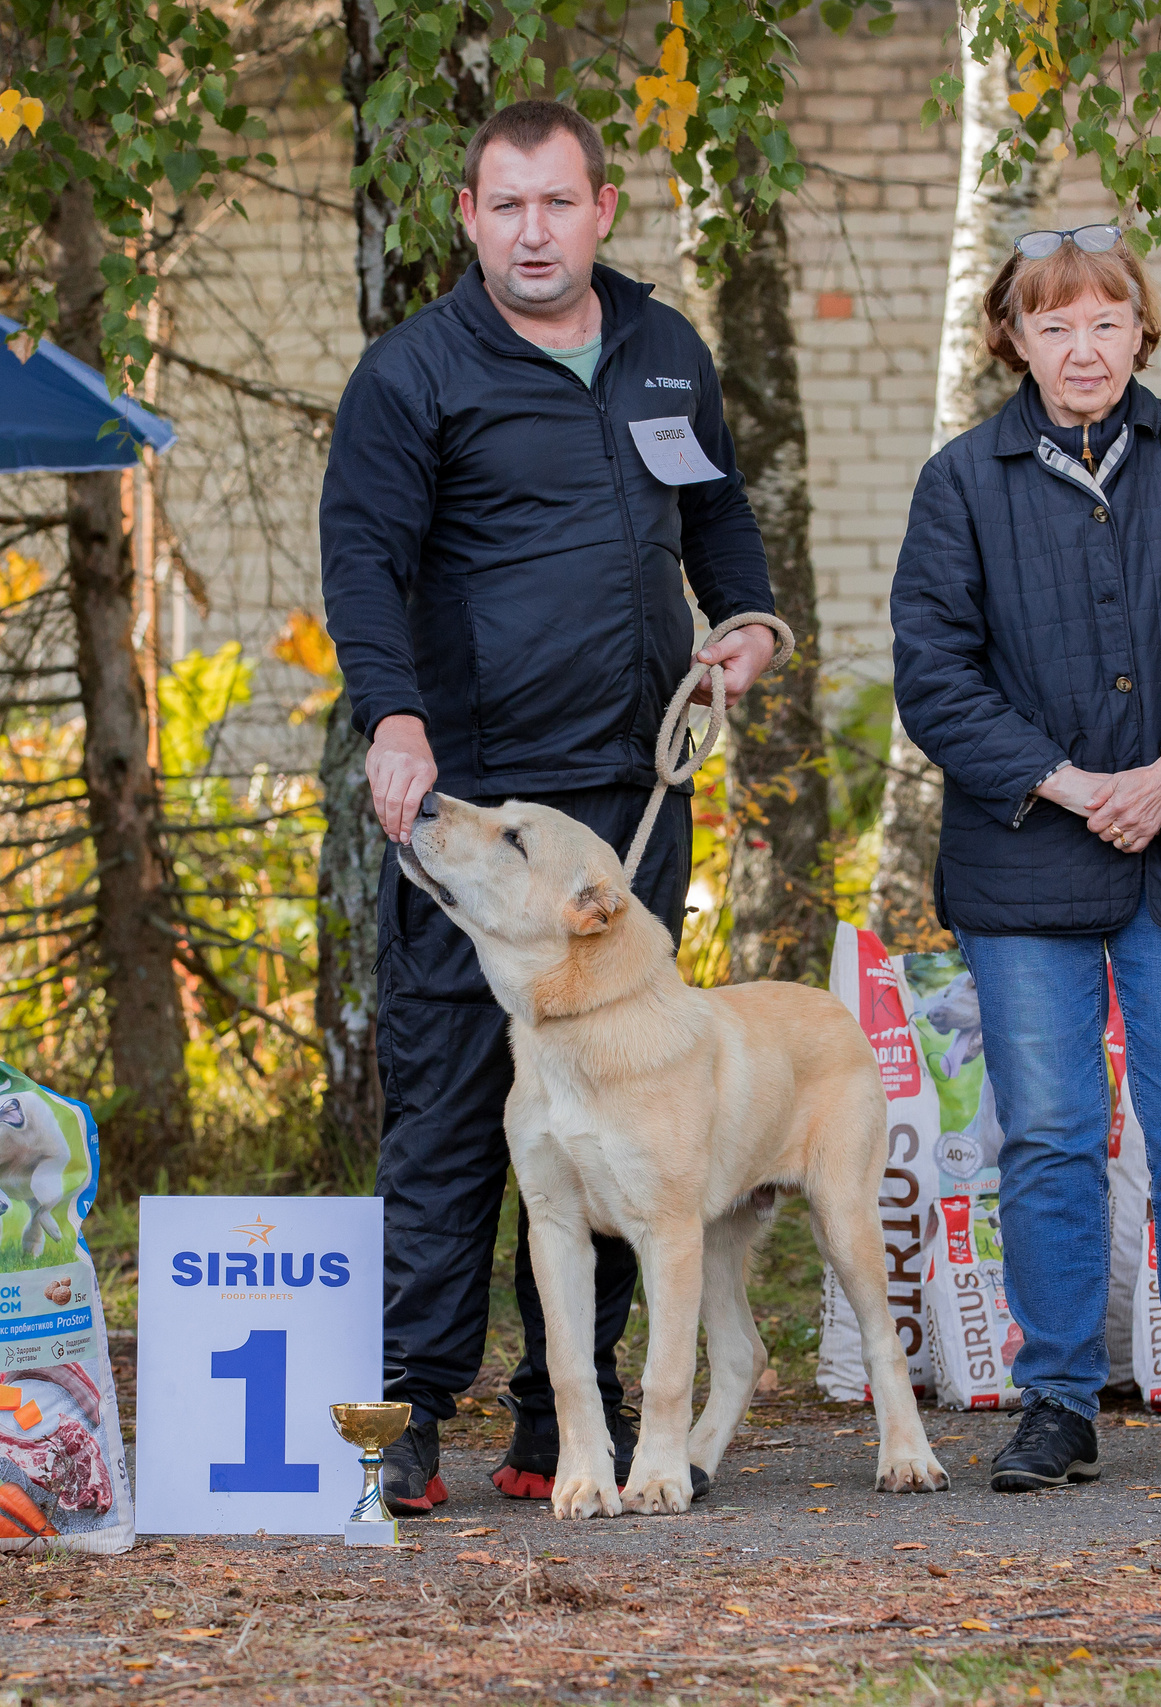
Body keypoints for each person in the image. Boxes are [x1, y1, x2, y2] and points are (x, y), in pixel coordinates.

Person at [318, 99, 778, 1510]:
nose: (534, 231)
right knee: (455, 1114)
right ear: (468, 217)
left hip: (627, 801)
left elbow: (717, 518)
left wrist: (748, 619)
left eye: (558, 204)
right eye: (506, 206)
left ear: (604, 208)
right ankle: (404, 1412)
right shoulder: (415, 375)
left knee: (634, 1122)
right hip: (476, 825)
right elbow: (363, 559)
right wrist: (395, 720)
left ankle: (557, 1417)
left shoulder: (663, 353)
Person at [890, 225, 1161, 1493]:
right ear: (1011, 337)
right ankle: (1055, 1400)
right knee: (1052, 1138)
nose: (1082, 346)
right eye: (1052, 323)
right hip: (1025, 864)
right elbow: (934, 678)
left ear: (1141, 331)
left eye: (1105, 320)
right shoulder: (961, 481)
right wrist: (1069, 785)